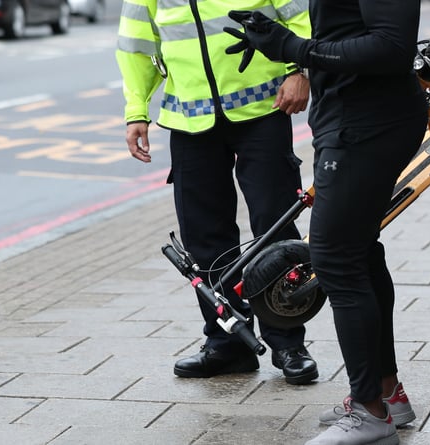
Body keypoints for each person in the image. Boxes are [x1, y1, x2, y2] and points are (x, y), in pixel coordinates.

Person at [224, 1, 427, 443]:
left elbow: (391, 47)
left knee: (336, 260)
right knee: (359, 253)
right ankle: (387, 395)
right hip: (351, 118)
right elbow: (342, 29)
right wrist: (279, 42)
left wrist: (297, 48)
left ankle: (370, 413)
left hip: (369, 124)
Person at [115, 0, 319, 386]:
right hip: (189, 117)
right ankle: (228, 343)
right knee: (204, 236)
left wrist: (300, 70)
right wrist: (136, 109)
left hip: (264, 106)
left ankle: (288, 343)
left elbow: (300, 15)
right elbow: (135, 45)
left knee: (274, 228)